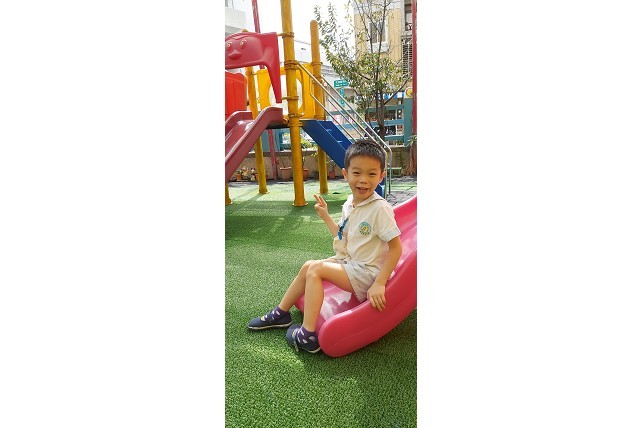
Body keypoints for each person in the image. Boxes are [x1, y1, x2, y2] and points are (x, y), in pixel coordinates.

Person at [247, 139, 403, 354]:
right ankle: (281, 313)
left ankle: (307, 336)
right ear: (345, 174)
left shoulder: (380, 209)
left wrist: (380, 283)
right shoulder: (350, 203)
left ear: (381, 176)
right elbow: (342, 236)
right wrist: (326, 216)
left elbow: (396, 248)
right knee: (308, 265)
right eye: (357, 173)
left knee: (316, 270)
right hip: (351, 262)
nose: (363, 180)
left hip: (369, 273)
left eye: (371, 174)